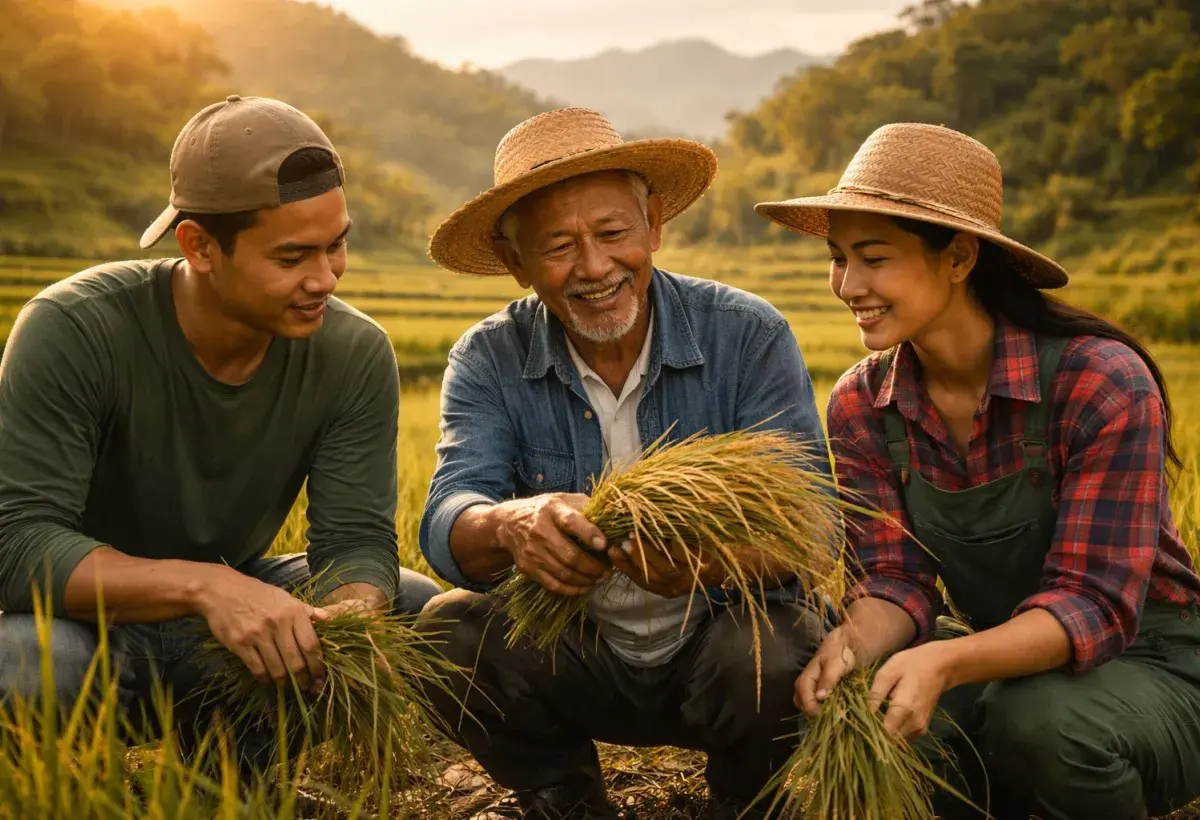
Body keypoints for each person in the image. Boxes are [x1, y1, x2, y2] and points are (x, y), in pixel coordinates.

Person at [754, 122, 1200, 820]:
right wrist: (848, 647)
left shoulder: (1098, 383)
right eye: (837, 258)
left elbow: (1096, 604)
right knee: (873, 708)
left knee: (1042, 721)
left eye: (874, 258)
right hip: (1007, 664)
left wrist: (946, 662)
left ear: (958, 257)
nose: (847, 284)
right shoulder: (862, 402)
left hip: (1151, 665)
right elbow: (895, 578)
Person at [0, 95, 440, 775]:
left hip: (234, 639)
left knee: (417, 609)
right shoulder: (74, 328)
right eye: (292, 256)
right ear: (200, 246)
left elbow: (354, 540)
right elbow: (20, 544)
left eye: (337, 244)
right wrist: (206, 587)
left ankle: (233, 773)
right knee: (27, 662)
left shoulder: (353, 352)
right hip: (87, 628)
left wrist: (346, 618)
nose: (324, 279)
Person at [414, 107, 833, 820]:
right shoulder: (488, 357)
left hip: (718, 651)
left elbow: (815, 525)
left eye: (613, 234)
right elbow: (450, 514)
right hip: (579, 656)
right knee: (446, 631)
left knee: (775, 643)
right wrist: (512, 523)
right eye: (558, 246)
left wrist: (706, 562)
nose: (595, 267)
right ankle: (564, 797)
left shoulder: (746, 334)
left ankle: (745, 800)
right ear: (516, 262)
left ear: (654, 225)